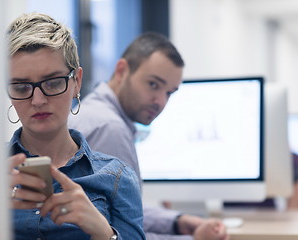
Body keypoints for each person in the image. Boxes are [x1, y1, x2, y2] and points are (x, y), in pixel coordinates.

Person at [69, 32, 228, 240]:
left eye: (169, 92)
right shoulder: (111, 128)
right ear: (121, 70)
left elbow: (124, 213)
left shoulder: (95, 112)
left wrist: (177, 222)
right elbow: (122, 234)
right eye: (153, 84)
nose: (160, 101)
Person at [7, 12, 145, 240]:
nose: (38, 100)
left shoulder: (116, 177)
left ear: (76, 82)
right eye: (21, 87)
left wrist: (104, 233)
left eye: (53, 83)